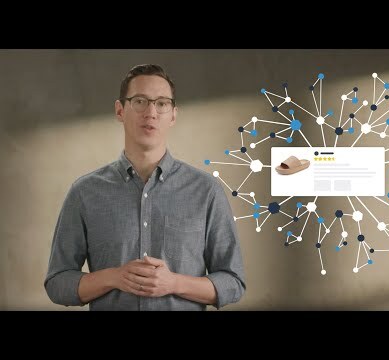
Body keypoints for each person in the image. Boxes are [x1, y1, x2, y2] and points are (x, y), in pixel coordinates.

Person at [44, 64, 246, 310]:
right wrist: (113, 277)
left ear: (173, 114)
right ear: (120, 110)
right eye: (140, 101)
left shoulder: (206, 190)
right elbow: (58, 283)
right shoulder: (84, 192)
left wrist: (174, 283)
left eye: (161, 103)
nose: (151, 112)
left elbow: (233, 282)